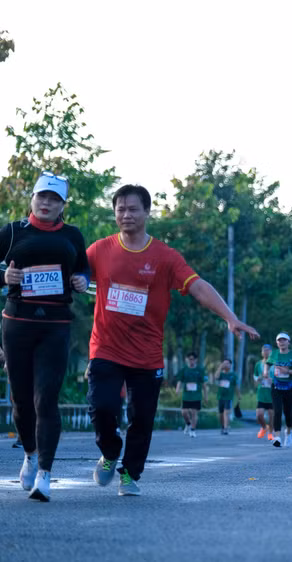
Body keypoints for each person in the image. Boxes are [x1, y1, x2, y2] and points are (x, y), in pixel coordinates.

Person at [87, 184, 258, 497]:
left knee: (141, 419)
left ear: (147, 212)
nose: (126, 215)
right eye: (120, 209)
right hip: (106, 348)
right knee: (102, 406)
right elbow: (72, 272)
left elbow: (198, 286)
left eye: (133, 209)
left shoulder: (164, 256)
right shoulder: (99, 250)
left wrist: (230, 317)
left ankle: (130, 473)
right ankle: (110, 452)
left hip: (146, 355)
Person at [0, 172, 90, 501]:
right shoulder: (12, 231)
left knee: (46, 399)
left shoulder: (72, 235)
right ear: (33, 199)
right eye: (42, 197)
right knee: (22, 402)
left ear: (63, 205)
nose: (47, 204)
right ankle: (29, 453)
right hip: (17, 323)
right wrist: (4, 276)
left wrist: (81, 279)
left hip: (55, 325)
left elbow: (83, 268)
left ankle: (45, 473)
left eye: (54, 199)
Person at [267, 333, 292, 448]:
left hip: (289, 387)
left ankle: (288, 433)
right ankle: (277, 437)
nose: (281, 342)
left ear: (288, 342)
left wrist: (287, 371)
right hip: (276, 387)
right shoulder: (274, 354)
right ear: (277, 343)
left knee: (288, 412)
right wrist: (266, 374)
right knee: (277, 411)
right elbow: (267, 364)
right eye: (279, 340)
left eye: (284, 340)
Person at [174, 352, 207, 438]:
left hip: (196, 396)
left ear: (196, 360)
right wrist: (177, 390)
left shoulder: (200, 370)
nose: (191, 361)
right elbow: (179, 381)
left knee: (194, 413)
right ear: (187, 360)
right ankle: (188, 424)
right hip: (186, 396)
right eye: (189, 359)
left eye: (193, 359)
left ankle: (193, 430)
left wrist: (205, 395)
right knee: (184, 412)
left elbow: (204, 384)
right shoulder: (184, 369)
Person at [253, 344, 274, 440]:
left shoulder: (275, 364)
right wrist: (260, 378)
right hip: (261, 393)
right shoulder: (258, 364)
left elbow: (279, 377)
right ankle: (264, 427)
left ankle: (270, 433)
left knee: (271, 415)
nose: (266, 352)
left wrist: (272, 381)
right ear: (262, 352)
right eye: (264, 350)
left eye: (268, 350)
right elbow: (255, 378)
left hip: (272, 393)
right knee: (259, 415)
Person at [214, 359, 238, 435]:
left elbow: (236, 386)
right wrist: (220, 367)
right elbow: (216, 377)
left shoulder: (233, 375)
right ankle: (222, 426)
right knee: (220, 414)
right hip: (220, 396)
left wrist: (238, 395)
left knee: (226, 413)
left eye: (227, 363)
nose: (225, 365)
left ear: (230, 365)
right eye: (224, 363)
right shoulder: (221, 374)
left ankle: (225, 428)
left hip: (228, 397)